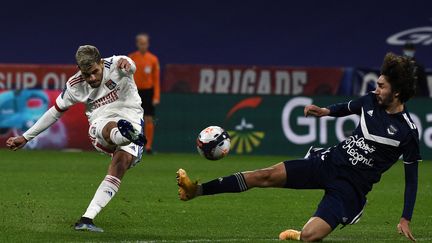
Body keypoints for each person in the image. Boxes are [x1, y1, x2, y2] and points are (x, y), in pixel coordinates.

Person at [177, 53, 420, 242]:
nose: (376, 89)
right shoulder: (370, 100)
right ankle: (195, 191)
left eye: (382, 86)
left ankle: (300, 234)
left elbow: (411, 180)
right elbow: (348, 107)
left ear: (397, 93)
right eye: (377, 84)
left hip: (351, 187)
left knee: (310, 236)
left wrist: (405, 218)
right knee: (264, 175)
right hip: (329, 162)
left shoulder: (407, 132)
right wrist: (325, 111)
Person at [6, 45, 146, 232]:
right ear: (80, 70)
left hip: (132, 117)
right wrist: (25, 137)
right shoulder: (75, 84)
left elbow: (131, 65)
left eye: (95, 72)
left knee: (121, 164)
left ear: (101, 62)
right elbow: (54, 112)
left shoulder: (117, 64)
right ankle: (124, 135)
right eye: (87, 75)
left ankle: (87, 219)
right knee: (110, 127)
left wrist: (128, 65)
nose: (92, 78)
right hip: (100, 122)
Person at [129, 33, 160, 154]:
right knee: (133, 119)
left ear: (148, 44)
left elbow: (156, 80)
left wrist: (156, 96)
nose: (143, 46)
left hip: (148, 92)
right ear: (137, 44)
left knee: (148, 119)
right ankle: (134, 144)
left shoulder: (153, 59)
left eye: (145, 43)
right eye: (141, 43)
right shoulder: (131, 58)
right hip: (134, 92)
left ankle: (148, 146)